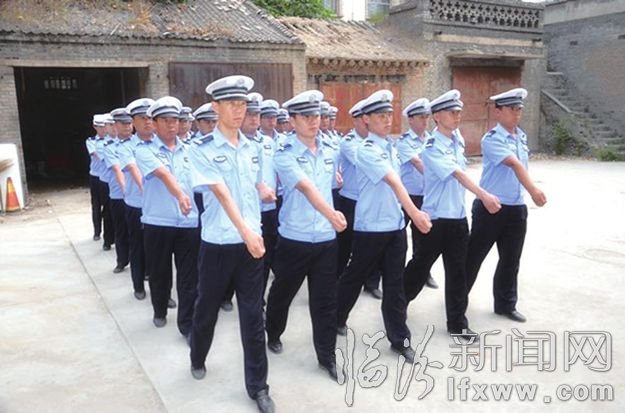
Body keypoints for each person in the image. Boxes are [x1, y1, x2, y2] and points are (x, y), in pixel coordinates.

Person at [188, 75, 275, 413]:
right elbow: (222, 194)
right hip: (218, 244)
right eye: (232, 104)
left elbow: (252, 185)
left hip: (250, 246)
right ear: (216, 107)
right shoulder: (202, 150)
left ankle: (259, 387)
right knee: (206, 308)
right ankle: (198, 355)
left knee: (253, 317)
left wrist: (262, 189)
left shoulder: (254, 149)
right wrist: (248, 232)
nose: (240, 111)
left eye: (243, 104)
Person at [336, 89, 432, 362]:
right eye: (380, 116)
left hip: (394, 227)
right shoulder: (365, 150)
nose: (387, 120)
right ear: (366, 119)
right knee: (354, 277)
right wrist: (415, 212)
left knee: (395, 285)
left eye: (389, 114)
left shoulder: (391, 147)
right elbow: (393, 181)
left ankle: (400, 339)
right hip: (371, 228)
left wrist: (407, 215)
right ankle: (336, 317)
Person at [403, 89, 501, 340]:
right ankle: (397, 304)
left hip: (457, 218)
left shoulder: (457, 140)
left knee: (458, 273)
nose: (457, 116)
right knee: (419, 268)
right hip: (435, 219)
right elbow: (457, 174)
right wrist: (484, 195)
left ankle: (457, 323)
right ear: (437, 116)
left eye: (458, 111)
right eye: (451, 112)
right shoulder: (432, 147)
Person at [265, 89, 346, 381]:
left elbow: (334, 183)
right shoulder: (284, 155)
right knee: (283, 293)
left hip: (325, 239)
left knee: (325, 301)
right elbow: (306, 188)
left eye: (317, 115)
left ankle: (327, 357)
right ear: (293, 120)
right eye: (307, 116)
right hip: (295, 238)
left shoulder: (330, 150)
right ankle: (273, 331)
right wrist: (332, 214)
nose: (314, 121)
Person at [466, 88, 547, 323]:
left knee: (511, 260)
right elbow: (514, 164)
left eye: (519, 109)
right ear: (498, 111)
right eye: (512, 109)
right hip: (490, 207)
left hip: (516, 208)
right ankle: (457, 298)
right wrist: (534, 190)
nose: (517, 113)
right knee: (473, 257)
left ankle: (505, 304)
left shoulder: (521, 137)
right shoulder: (492, 139)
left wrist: (526, 194)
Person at [135, 96, 199, 335]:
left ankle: (187, 324)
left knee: (189, 276)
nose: (172, 124)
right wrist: (181, 195)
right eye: (166, 120)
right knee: (159, 271)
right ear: (154, 123)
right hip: (158, 221)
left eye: (175, 120)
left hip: (188, 222)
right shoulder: (144, 151)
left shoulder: (192, 150)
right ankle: (159, 310)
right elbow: (163, 174)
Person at [336, 99, 383, 299]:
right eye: (362, 120)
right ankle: (338, 279)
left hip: (371, 200)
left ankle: (372, 283)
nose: (366, 124)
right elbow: (365, 163)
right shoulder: (349, 142)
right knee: (346, 244)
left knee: (374, 242)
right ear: (356, 121)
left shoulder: (379, 143)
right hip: (351, 200)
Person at [396, 98, 439, 290]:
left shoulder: (432, 140)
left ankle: (423, 272)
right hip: (408, 196)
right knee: (397, 236)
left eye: (426, 117)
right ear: (410, 119)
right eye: (421, 117)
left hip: (426, 195)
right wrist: (439, 176)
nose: (425, 121)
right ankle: (389, 273)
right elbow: (418, 163)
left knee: (424, 237)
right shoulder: (404, 142)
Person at [119, 98, 155, 300]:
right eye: (143, 118)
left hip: (159, 208)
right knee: (138, 247)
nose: (148, 122)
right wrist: (147, 192)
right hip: (137, 205)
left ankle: (161, 292)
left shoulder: (161, 144)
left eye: (150, 118)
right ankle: (138, 286)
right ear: (133, 122)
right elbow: (133, 169)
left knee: (159, 252)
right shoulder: (126, 147)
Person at [104, 108, 131, 274]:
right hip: (119, 195)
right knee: (121, 230)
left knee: (139, 234)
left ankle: (145, 268)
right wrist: (126, 190)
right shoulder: (109, 147)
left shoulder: (140, 144)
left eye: (129, 123)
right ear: (115, 125)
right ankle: (122, 261)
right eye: (123, 123)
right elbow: (117, 169)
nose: (127, 126)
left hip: (138, 198)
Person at [86, 114, 108, 242]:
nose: (103, 129)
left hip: (107, 177)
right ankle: (97, 232)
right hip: (95, 176)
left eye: (104, 126)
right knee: (96, 205)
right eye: (100, 126)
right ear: (95, 127)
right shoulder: (91, 141)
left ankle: (108, 234)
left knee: (108, 206)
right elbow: (96, 155)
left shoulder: (112, 141)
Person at [94, 114, 115, 251]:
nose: (113, 128)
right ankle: (108, 240)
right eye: (110, 125)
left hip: (121, 184)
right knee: (107, 212)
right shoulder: (102, 144)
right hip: (107, 181)